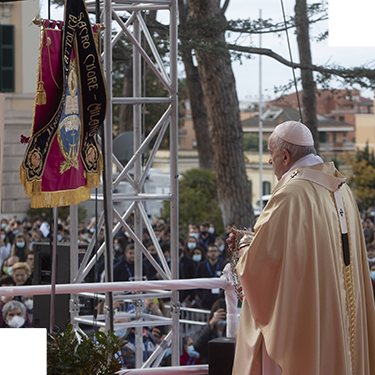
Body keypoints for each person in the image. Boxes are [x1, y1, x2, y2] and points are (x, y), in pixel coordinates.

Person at [228, 121, 375, 375]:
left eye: (271, 155)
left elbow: (259, 267)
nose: (270, 162)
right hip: (338, 317)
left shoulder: (290, 194)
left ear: (285, 156)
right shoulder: (343, 190)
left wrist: (243, 244)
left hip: (305, 322)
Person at [193, 298, 226, 364]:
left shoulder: (231, 331)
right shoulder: (205, 330)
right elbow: (197, 346)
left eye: (224, 313)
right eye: (219, 313)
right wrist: (211, 323)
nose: (221, 316)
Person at [195, 244, 226, 310]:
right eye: (211, 251)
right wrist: (200, 295)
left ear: (218, 253)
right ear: (207, 253)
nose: (213, 253)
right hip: (205, 299)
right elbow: (197, 280)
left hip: (219, 299)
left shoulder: (224, 265)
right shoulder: (201, 265)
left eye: (215, 251)